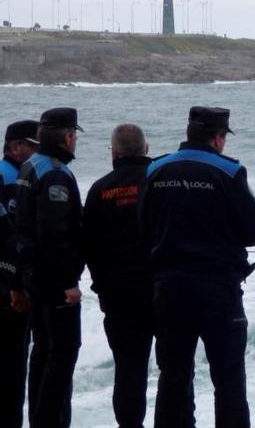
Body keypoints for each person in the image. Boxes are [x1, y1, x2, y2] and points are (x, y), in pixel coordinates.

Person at [139, 106, 255, 428]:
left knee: (173, 375)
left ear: (188, 133)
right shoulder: (228, 171)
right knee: (228, 378)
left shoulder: (156, 169)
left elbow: (142, 226)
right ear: (218, 138)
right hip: (217, 287)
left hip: (169, 286)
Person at [15, 108, 85, 428]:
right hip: (52, 280)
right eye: (73, 136)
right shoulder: (55, 173)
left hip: (33, 275)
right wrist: (67, 283)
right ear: (68, 137)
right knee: (63, 352)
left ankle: (39, 420)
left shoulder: (31, 165)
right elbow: (55, 234)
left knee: (42, 351)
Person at [82, 124, 153, 428]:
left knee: (128, 370)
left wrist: (101, 287)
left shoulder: (100, 189)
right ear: (146, 149)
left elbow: (87, 245)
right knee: (176, 367)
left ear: (113, 152)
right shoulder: (161, 180)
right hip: (163, 288)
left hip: (119, 296)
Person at [0, 119, 39, 428]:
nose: (38, 150)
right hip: (7, 287)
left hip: (16, 282)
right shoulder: (7, 177)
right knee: (11, 371)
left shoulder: (26, 177)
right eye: (33, 144)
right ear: (14, 147)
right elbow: (9, 237)